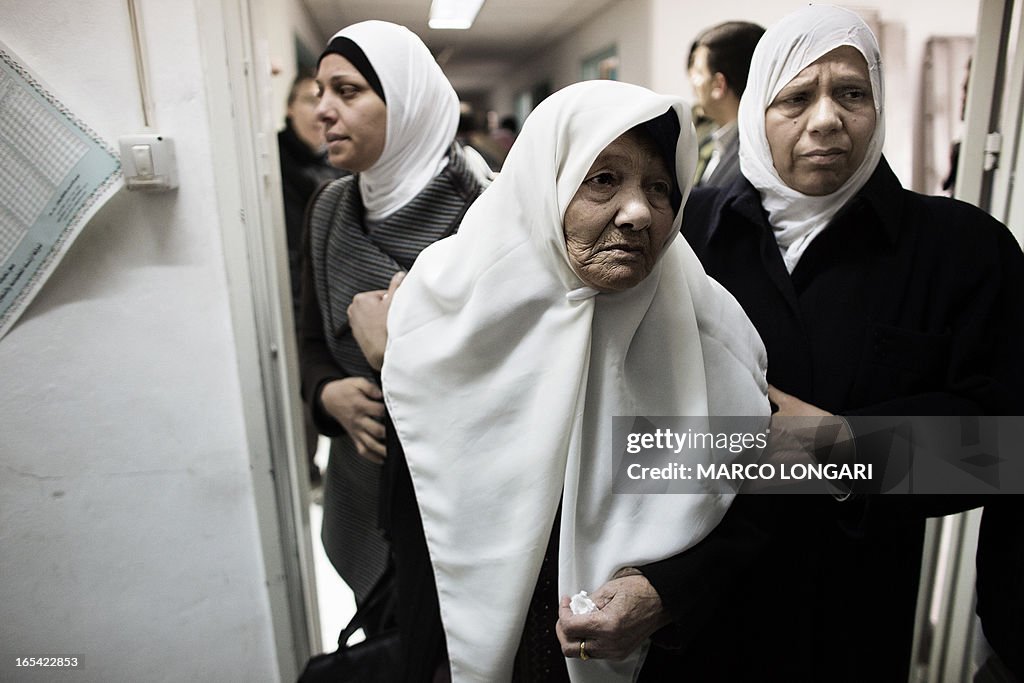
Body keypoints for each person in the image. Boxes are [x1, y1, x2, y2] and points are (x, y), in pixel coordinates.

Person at [674, 5, 1024, 681]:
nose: (828, 118)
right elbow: (626, 428)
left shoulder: (961, 249)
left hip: (852, 616)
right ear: (755, 111)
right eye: (797, 97)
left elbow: (1000, 449)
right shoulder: (688, 237)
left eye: (852, 93)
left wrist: (835, 448)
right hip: (692, 606)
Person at [377, 80, 769, 682]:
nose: (639, 213)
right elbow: (417, 523)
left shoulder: (703, 333)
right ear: (545, 184)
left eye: (660, 188)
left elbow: (760, 509)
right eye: (603, 179)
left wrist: (667, 592)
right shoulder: (443, 314)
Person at [298, 19, 490, 620]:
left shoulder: (482, 213)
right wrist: (328, 394)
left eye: (348, 91)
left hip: (459, 497)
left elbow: (514, 376)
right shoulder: (330, 207)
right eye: (318, 92)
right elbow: (308, 336)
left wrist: (398, 351)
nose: (323, 111)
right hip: (361, 482)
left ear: (405, 103)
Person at [277, 71, 347, 484]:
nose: (322, 111)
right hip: (288, 303)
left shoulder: (332, 167)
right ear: (288, 108)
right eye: (310, 99)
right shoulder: (271, 164)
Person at [688, 21, 765, 187]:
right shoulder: (714, 142)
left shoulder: (752, 159)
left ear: (718, 85)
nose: (693, 81)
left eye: (699, 73)